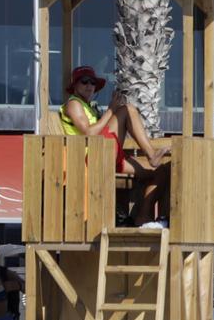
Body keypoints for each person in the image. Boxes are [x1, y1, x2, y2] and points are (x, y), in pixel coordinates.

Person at [59, 65, 169, 225]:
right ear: (75, 85)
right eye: (84, 82)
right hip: (90, 157)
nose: (89, 86)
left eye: (92, 82)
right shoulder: (73, 104)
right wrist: (111, 110)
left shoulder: (89, 106)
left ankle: (143, 215)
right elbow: (88, 133)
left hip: (103, 154)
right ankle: (151, 154)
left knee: (162, 170)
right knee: (127, 110)